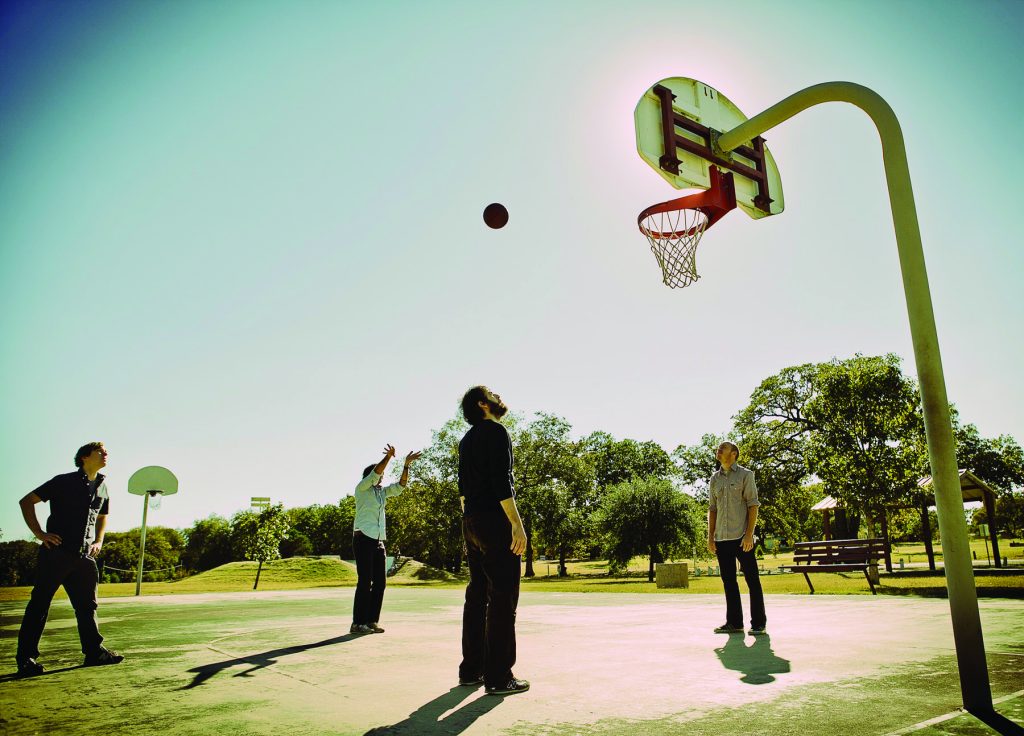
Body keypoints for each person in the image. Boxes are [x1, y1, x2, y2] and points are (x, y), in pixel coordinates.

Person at [15, 442, 124, 676]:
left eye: (106, 452)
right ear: (85, 457)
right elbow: (26, 501)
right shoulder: (63, 481)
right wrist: (40, 534)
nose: (105, 454)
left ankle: (94, 652)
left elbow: (102, 516)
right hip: (57, 554)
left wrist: (99, 540)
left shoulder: (103, 487)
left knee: (87, 607)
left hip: (85, 557)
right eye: (100, 451)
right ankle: (26, 659)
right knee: (39, 605)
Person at [457, 386, 529, 696]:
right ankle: (499, 677)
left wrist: (470, 523)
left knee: (477, 595)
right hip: (494, 521)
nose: (499, 396)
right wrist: (516, 524)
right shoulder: (496, 432)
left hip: (471, 521)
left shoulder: (466, 440)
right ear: (483, 404)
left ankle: (471, 669)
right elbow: (502, 481)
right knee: (502, 597)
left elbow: (462, 490)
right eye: (492, 394)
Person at [350, 444, 420, 634]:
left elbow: (400, 486)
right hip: (363, 538)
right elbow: (376, 473)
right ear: (370, 476)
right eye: (379, 475)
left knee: (380, 583)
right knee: (365, 581)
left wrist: (406, 465)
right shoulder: (362, 488)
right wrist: (388, 457)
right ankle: (357, 623)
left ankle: (371, 621)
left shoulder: (381, 493)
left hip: (378, 541)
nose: (382, 477)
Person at [707, 441, 766, 636]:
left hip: (742, 538)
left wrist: (749, 534)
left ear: (733, 454)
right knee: (729, 582)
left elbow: (753, 505)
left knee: (752, 580)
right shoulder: (714, 479)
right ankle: (734, 623)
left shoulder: (746, 475)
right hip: (721, 539)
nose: (718, 450)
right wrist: (710, 537)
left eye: (722, 448)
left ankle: (758, 623)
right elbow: (712, 509)